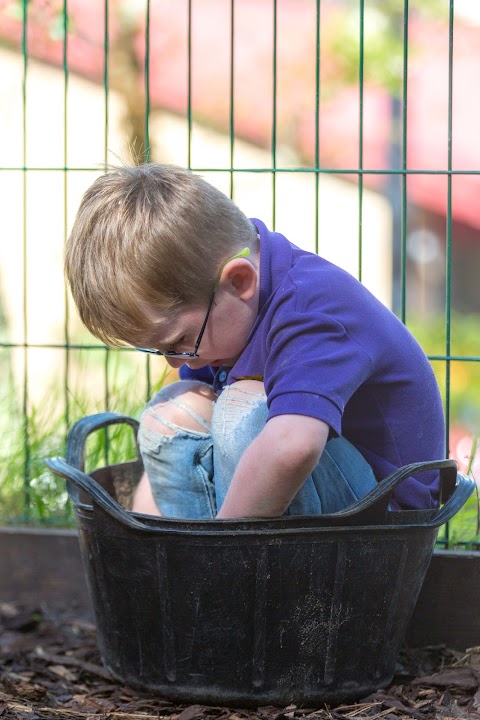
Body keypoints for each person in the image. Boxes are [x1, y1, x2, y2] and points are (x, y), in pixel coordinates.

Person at [65, 163, 445, 519]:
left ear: (239, 282)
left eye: (178, 342)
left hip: (382, 518)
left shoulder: (310, 308)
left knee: (244, 410)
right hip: (307, 497)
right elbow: (177, 442)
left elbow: (293, 446)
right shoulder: (223, 312)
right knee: (174, 412)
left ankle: (227, 572)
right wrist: (148, 535)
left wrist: (222, 552)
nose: (175, 361)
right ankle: (194, 574)